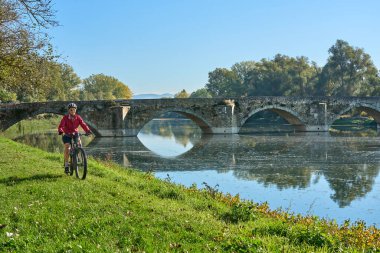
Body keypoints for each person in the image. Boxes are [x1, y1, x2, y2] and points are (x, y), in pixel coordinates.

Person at [58, 103, 92, 174]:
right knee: (67, 147)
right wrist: (61, 131)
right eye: (71, 110)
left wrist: (88, 131)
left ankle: (78, 157)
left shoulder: (78, 117)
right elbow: (61, 126)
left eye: (74, 109)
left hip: (75, 133)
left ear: (75, 110)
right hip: (67, 134)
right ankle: (67, 165)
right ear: (69, 110)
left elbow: (83, 124)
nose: (72, 111)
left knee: (79, 144)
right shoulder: (65, 118)